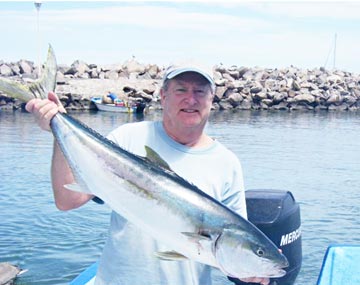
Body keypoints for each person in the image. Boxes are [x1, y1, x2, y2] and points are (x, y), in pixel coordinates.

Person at [25, 64, 270, 285]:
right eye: (181, 90)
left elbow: (231, 251)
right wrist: (58, 128)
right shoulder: (127, 139)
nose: (191, 99)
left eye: (200, 91)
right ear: (163, 95)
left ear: (211, 99)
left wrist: (250, 269)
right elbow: (67, 200)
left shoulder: (227, 164)